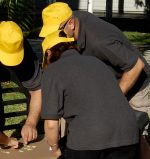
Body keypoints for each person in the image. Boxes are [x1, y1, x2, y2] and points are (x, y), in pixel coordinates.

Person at [39, 2, 150, 137]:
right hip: (105, 80)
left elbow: (136, 65)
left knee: (135, 135)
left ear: (71, 24)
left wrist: (111, 98)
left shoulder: (100, 40)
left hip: (133, 78)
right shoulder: (69, 25)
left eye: (57, 32)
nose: (54, 38)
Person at [41, 30, 139, 159]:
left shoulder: (52, 71)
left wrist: (54, 149)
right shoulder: (96, 61)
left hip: (88, 140)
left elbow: (51, 124)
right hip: (128, 133)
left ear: (48, 53)